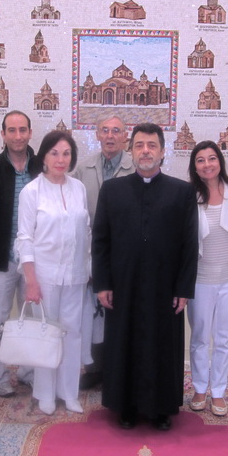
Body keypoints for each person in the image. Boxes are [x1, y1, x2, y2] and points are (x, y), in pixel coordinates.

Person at [92, 122, 198, 431]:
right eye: (139, 145)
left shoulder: (182, 191)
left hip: (165, 288)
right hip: (122, 285)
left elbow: (189, 244)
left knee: (161, 346)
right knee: (123, 344)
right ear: (131, 150)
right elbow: (100, 240)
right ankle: (124, 406)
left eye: (152, 145)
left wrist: (184, 288)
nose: (146, 151)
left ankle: (161, 408)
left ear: (163, 151)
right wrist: (102, 283)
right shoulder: (113, 190)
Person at [17, 130, 91, 415]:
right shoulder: (31, 192)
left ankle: (69, 392)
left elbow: (84, 231)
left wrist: (87, 267)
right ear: (44, 157)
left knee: (72, 333)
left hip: (75, 275)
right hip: (43, 276)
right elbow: (24, 238)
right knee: (47, 334)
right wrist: (31, 280)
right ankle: (45, 394)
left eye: (66, 153)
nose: (61, 159)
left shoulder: (78, 188)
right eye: (55, 153)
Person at [0, 111, 42, 398]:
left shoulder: (43, 168)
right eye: (11, 130)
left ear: (30, 132)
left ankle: (29, 373)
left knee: (33, 321)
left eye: (22, 130)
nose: (17, 136)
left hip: (35, 262)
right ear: (3, 134)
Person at [71, 115, 134, 390]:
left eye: (116, 131)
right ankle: (95, 368)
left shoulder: (135, 169)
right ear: (96, 134)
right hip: (93, 251)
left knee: (122, 311)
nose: (110, 136)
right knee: (94, 312)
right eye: (105, 131)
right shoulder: (83, 168)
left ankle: (119, 370)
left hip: (126, 252)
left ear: (125, 137)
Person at [186, 140, 228, 417]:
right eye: (200, 160)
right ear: (194, 166)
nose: (207, 164)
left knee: (223, 338)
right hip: (200, 280)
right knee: (199, 337)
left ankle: (218, 391)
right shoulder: (189, 197)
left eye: (212, 158)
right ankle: (199, 387)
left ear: (220, 161)